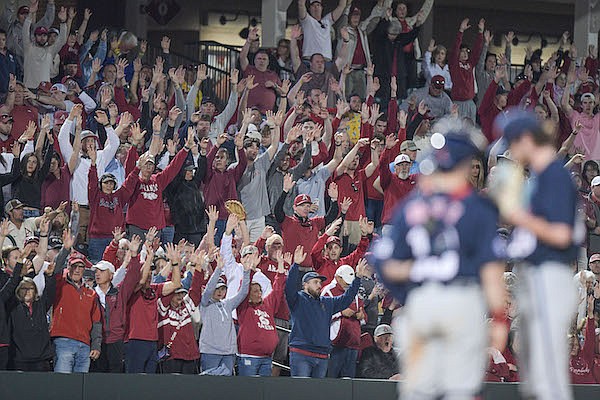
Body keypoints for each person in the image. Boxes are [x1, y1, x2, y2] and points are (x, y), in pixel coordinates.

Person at [372, 120, 507, 399]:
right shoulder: (476, 207)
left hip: (424, 303)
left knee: (420, 389)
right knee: (459, 391)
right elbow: (493, 272)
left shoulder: (413, 205)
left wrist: (410, 294)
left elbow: (383, 263)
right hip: (462, 303)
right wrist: (499, 320)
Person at [501, 111, 580, 400]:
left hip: (551, 273)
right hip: (539, 273)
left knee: (548, 373)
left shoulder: (553, 176)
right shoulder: (541, 175)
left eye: (513, 140)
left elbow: (561, 234)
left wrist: (517, 215)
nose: (511, 148)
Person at [285, 245, 366, 378]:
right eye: (315, 282)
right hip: (301, 353)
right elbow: (288, 288)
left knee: (319, 394)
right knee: (300, 392)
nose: (319, 285)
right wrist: (295, 266)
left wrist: (357, 279)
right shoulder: (297, 299)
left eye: (320, 282)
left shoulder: (326, 302)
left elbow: (346, 299)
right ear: (305, 284)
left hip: (322, 355)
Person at [125, 242, 181, 374]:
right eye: (147, 273)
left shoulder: (155, 289)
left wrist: (174, 263)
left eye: (151, 273)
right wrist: (149, 257)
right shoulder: (132, 291)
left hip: (153, 341)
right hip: (135, 340)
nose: (149, 276)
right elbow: (141, 280)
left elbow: (176, 284)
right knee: (135, 378)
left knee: (150, 380)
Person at [90, 235, 142, 373]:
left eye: (102, 271)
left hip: (116, 341)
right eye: (96, 271)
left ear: (111, 275)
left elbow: (133, 276)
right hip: (96, 342)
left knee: (115, 377)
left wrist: (135, 255)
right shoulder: (90, 294)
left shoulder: (119, 292)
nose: (97, 274)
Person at [51, 242, 102, 373]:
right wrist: (65, 249)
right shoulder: (59, 284)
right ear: (68, 267)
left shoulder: (91, 293)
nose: (77, 270)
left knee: (81, 388)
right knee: (63, 384)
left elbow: (96, 322)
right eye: (74, 266)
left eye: (80, 266)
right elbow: (55, 269)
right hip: (63, 341)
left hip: (85, 345)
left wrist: (96, 345)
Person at [236, 248, 287, 376]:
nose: (259, 293)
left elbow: (277, 291)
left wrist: (281, 267)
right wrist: (251, 270)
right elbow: (244, 289)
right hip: (249, 356)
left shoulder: (267, 305)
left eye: (260, 290)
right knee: (248, 391)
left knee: (264, 392)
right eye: (255, 291)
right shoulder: (244, 307)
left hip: (267, 358)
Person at [199, 251, 251, 375]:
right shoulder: (205, 303)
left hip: (229, 352)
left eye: (222, 289)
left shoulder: (227, 304)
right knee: (209, 386)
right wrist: (218, 269)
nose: (219, 292)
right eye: (217, 289)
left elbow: (243, 293)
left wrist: (246, 272)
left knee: (227, 386)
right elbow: (208, 290)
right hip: (210, 351)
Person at [322, 263, 366, 378]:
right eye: (345, 281)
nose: (347, 284)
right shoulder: (328, 291)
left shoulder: (354, 290)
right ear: (337, 277)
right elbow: (320, 313)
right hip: (336, 342)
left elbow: (363, 312)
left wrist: (361, 315)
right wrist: (340, 313)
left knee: (349, 380)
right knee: (331, 378)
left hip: (353, 342)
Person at [449, 18, 484, 121]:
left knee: (470, 130)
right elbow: (455, 48)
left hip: (470, 102)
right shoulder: (454, 64)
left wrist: (480, 33)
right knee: (457, 129)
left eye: (467, 51)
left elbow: (477, 51)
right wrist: (461, 31)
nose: (465, 53)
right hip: (458, 103)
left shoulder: (470, 64)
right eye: (462, 51)